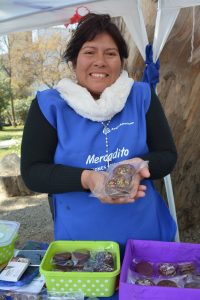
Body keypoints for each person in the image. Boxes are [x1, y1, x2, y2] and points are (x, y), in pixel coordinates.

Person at [21, 13, 177, 254]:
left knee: (146, 289)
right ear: (74, 61)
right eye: (89, 52)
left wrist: (138, 166)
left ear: (122, 61)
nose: (100, 61)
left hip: (145, 234)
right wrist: (88, 179)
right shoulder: (49, 106)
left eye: (111, 53)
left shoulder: (141, 97)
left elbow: (167, 155)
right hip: (81, 244)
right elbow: (33, 172)